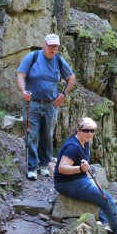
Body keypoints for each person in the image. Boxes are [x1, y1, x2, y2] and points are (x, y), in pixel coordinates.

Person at [53, 117, 117, 234]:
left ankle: (110, 224)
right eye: (86, 130)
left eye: (92, 131)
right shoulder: (73, 147)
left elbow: (85, 165)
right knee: (105, 199)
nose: (89, 133)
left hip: (79, 178)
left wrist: (91, 179)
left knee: (104, 196)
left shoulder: (85, 142)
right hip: (67, 183)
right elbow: (62, 168)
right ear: (78, 130)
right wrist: (81, 170)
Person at [17, 34, 76, 180]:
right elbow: (20, 75)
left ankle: (44, 164)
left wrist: (64, 94)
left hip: (51, 105)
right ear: (44, 44)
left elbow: (71, 78)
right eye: (50, 46)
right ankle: (32, 166)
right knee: (31, 134)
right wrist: (23, 92)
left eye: (55, 46)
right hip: (32, 103)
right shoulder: (33, 57)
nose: (53, 49)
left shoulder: (59, 60)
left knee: (47, 136)